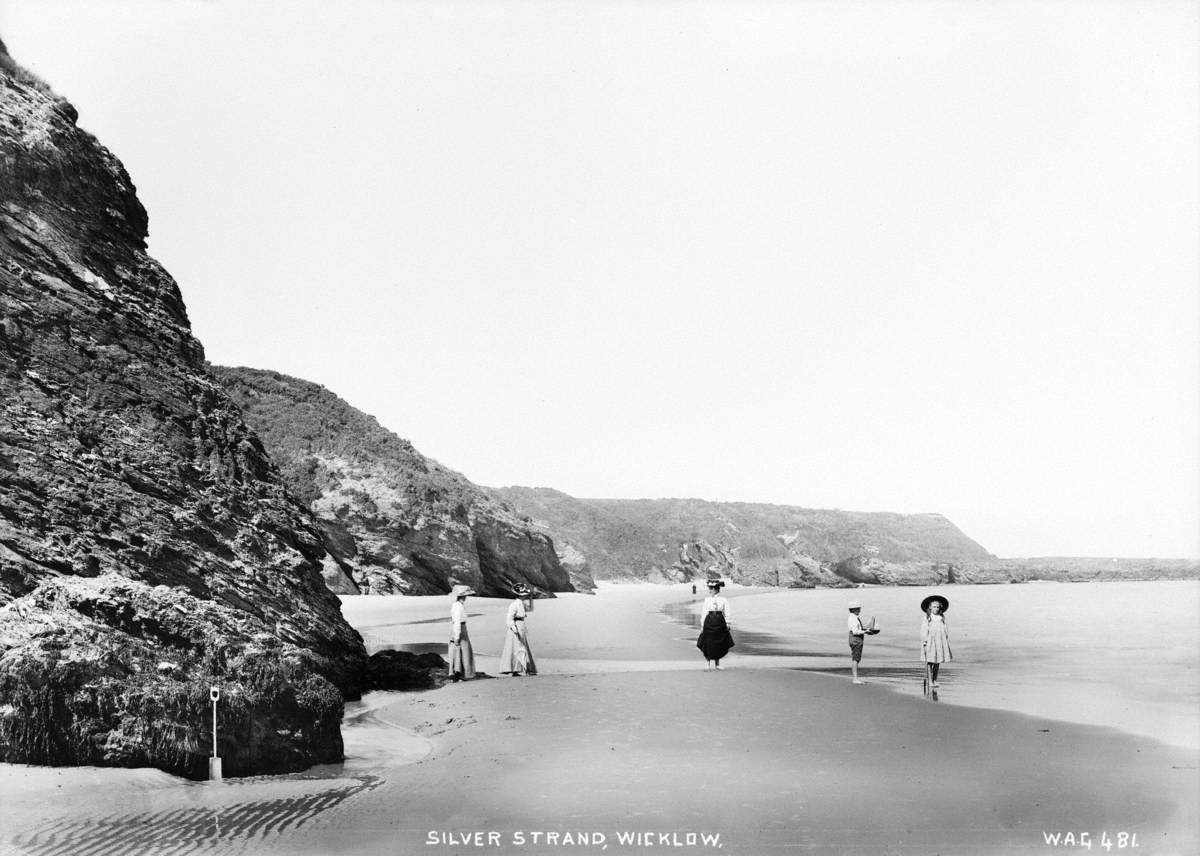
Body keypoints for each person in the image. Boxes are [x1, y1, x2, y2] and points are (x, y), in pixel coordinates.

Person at [498, 582, 537, 676]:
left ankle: (520, 668)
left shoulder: (521, 604)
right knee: (517, 647)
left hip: (521, 625)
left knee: (520, 646)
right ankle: (518, 669)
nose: (525, 596)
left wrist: (531, 599)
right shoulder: (514, 605)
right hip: (517, 625)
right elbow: (509, 618)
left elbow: (531, 609)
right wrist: (514, 628)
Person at [696, 578, 734, 670]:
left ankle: (717, 664)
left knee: (718, 642)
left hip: (720, 621)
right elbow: (704, 612)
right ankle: (708, 664)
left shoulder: (723, 599)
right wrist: (702, 625)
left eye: (711, 589)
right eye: (709, 588)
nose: (709, 591)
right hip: (709, 621)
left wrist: (728, 623)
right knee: (708, 642)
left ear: (715, 589)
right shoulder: (707, 600)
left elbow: (727, 611)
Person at [920, 594, 952, 688]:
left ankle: (935, 680)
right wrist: (924, 641)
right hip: (930, 642)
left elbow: (945, 629)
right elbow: (924, 630)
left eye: (938, 607)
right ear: (930, 607)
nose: (936, 609)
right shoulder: (928, 618)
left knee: (937, 662)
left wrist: (945, 638)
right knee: (930, 661)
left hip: (939, 642)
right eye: (934, 607)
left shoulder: (941, 618)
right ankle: (930, 681)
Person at [448, 584, 476, 681]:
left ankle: (460, 672)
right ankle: (458, 673)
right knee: (461, 649)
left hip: (461, 628)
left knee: (461, 650)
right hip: (460, 628)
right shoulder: (457, 606)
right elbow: (457, 621)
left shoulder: (458, 605)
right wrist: (457, 635)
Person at [847, 600, 870, 684]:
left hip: (855, 639)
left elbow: (857, 629)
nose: (860, 610)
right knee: (856, 659)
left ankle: (855, 678)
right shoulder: (853, 619)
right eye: (858, 609)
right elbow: (855, 631)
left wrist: (865, 629)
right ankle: (855, 679)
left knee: (856, 658)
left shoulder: (853, 617)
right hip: (856, 639)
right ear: (854, 609)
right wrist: (865, 632)